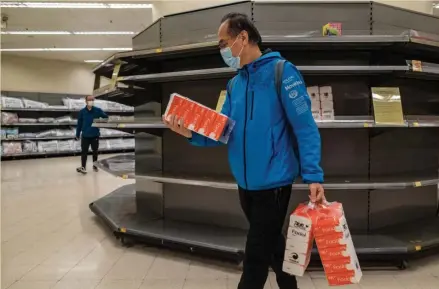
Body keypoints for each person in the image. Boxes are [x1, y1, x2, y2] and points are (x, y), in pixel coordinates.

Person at [163, 12, 325, 289]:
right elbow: (223, 131)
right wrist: (189, 133)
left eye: (224, 42)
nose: (222, 50)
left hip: (274, 183)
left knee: (255, 258)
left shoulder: (283, 72)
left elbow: (305, 127)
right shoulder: (234, 84)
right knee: (273, 244)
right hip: (245, 183)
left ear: (243, 37)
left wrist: (313, 175)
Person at [75, 95, 108, 174]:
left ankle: (95, 165)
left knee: (95, 151)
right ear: (86, 101)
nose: (91, 101)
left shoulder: (98, 110)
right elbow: (79, 124)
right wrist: (77, 134)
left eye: (92, 100)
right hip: (85, 136)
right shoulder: (82, 112)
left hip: (95, 135)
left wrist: (99, 122)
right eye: (89, 100)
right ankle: (83, 167)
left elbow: (106, 118)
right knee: (84, 152)